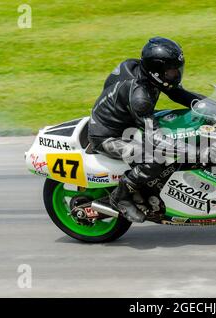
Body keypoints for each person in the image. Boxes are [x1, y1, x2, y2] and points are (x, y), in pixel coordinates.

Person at [88, 37, 205, 223]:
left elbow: (178, 93)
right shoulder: (140, 97)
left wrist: (210, 106)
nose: (176, 75)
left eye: (177, 69)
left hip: (129, 121)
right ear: (156, 73)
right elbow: (157, 139)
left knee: (182, 122)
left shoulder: (144, 72)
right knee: (153, 157)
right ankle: (120, 196)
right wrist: (196, 151)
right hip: (108, 136)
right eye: (171, 71)